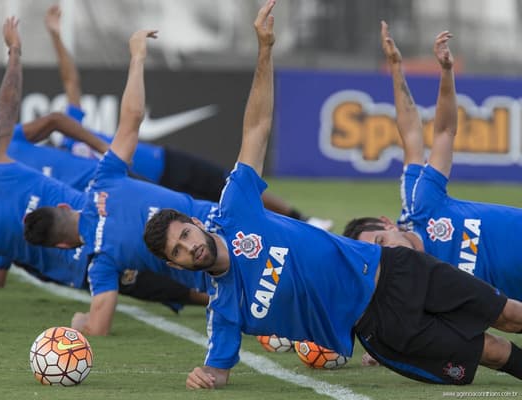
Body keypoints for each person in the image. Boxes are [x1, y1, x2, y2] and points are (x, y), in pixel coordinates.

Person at [142, 1, 522, 388]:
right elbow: (216, 371)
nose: (189, 247)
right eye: (177, 251)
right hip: (377, 325)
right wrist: (203, 376)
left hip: (396, 269)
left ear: (193, 223)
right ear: (175, 266)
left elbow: (256, 127)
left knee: (509, 314)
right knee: (491, 351)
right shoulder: (224, 309)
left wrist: (266, 50)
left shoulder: (235, 209)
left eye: (184, 235)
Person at [0, 18, 202, 315]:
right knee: (179, 237)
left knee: (168, 283)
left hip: (85, 266)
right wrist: (14, 51)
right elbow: (7, 104)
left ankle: (220, 301)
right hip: (104, 216)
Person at [43, 4, 332, 230]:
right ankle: (280, 230)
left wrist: (56, 36)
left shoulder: (73, 135)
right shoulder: (69, 180)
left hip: (165, 162)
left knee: (230, 182)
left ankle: (302, 218)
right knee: (217, 211)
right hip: (154, 190)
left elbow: (71, 82)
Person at [24, 27, 218, 336]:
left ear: (62, 245)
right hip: (227, 218)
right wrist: (137, 57)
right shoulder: (104, 179)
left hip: (213, 272)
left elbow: (99, 327)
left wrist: (80, 321)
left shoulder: (100, 264)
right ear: (64, 205)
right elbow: (132, 118)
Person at [343, 22, 522, 303]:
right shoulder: (416, 286)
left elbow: (428, 132)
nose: (390, 253)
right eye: (380, 257)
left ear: (388, 224)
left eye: (382, 243)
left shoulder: (421, 204)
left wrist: (407, 67)